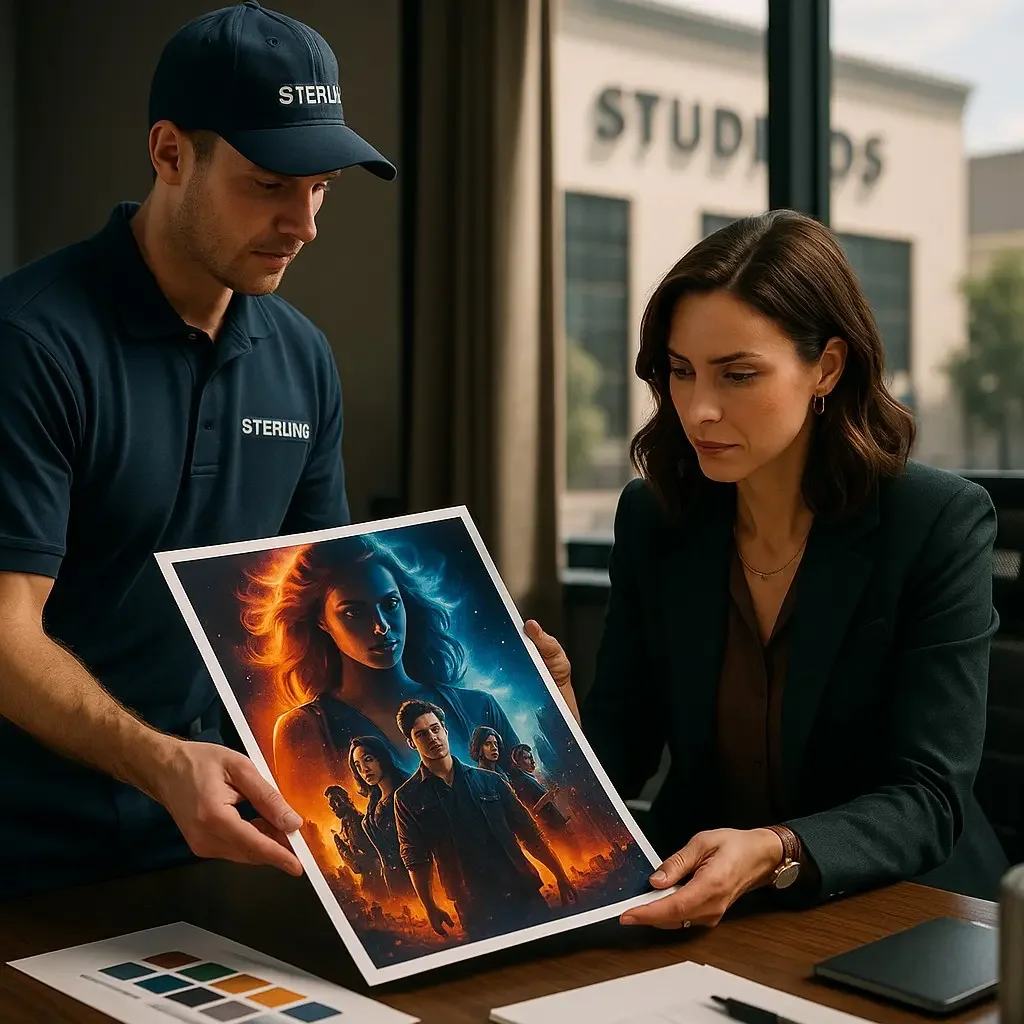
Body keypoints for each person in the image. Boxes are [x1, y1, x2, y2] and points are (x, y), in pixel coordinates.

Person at [0, 1, 396, 902]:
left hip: (215, 835)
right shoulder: (29, 344)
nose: (306, 222)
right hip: (23, 853)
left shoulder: (302, 358)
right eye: (269, 184)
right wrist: (161, 763)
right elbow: (1, 629)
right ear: (171, 153)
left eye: (322, 185)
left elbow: (309, 605)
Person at [524, 209, 1010, 931]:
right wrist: (556, 735)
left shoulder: (935, 522)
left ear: (827, 367)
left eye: (738, 374)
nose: (699, 409)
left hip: (906, 911)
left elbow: (928, 796)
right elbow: (620, 759)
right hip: (707, 910)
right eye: (680, 372)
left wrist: (778, 848)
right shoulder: (657, 519)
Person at [241, 533, 521, 816]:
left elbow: (546, 808)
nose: (381, 627)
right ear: (322, 622)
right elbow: (311, 841)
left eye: (390, 605)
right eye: (353, 613)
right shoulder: (302, 730)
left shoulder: (479, 708)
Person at [393, 700, 578, 941]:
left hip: (522, 889)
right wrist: (429, 907)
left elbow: (530, 834)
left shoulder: (490, 781)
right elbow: (415, 859)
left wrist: (560, 875)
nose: (432, 737)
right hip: (473, 906)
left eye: (435, 728)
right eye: (421, 734)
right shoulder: (407, 797)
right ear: (411, 742)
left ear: (445, 731)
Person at [347, 735, 416, 903]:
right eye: (358, 765)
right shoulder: (374, 800)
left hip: (417, 879)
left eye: (368, 760)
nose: (363, 769)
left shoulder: (409, 791)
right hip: (394, 884)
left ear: (382, 758)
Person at [324, 784, 386, 896]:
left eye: (336, 800)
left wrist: (339, 842)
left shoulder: (358, 821)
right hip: (370, 881)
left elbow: (361, 860)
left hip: (377, 880)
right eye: (331, 804)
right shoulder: (347, 823)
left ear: (347, 799)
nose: (333, 807)